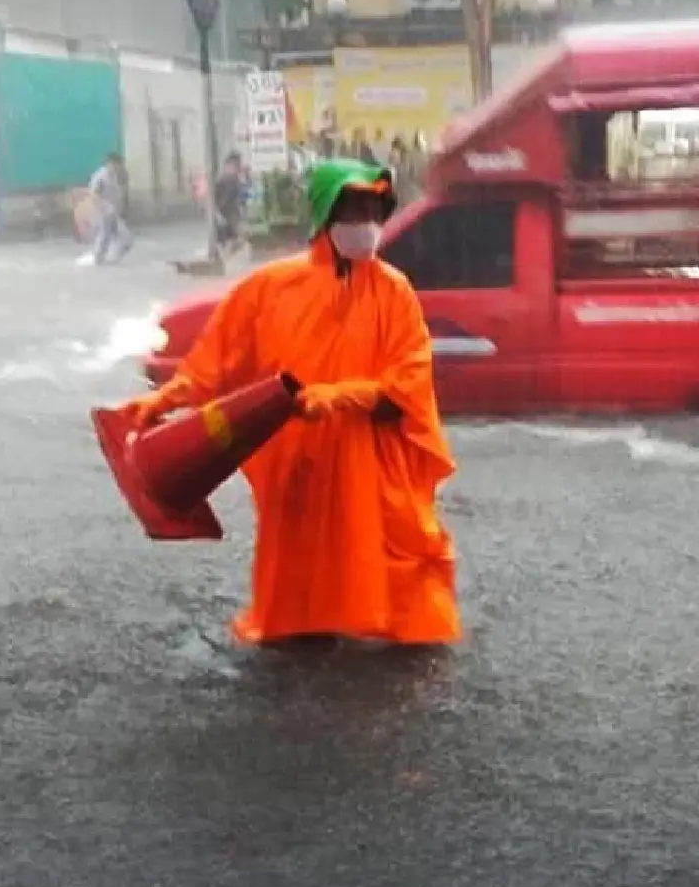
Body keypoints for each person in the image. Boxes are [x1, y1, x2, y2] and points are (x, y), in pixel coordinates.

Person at [118, 159, 460, 648]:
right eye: (354, 211)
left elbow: (409, 379)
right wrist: (167, 399)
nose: (366, 224)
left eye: (373, 212)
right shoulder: (269, 289)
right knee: (300, 572)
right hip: (297, 459)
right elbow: (217, 360)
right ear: (325, 214)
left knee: (398, 556)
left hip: (370, 459)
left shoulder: (394, 292)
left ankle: (395, 640)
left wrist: (341, 396)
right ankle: (300, 639)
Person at [87, 151, 132, 264]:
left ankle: (112, 258)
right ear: (109, 163)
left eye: (118, 164)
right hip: (103, 212)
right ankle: (99, 260)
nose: (117, 167)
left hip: (113, 212)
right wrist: (105, 206)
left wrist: (119, 207)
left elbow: (118, 193)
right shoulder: (100, 176)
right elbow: (94, 194)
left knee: (126, 237)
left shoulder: (115, 176)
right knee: (104, 237)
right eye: (115, 164)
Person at [210, 152, 246, 256]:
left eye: (236, 167)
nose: (235, 169)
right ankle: (225, 254)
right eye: (233, 167)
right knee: (225, 237)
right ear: (226, 167)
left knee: (235, 237)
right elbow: (214, 198)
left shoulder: (236, 180)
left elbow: (240, 197)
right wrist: (217, 213)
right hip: (224, 213)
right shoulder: (221, 181)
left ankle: (228, 253)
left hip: (233, 214)